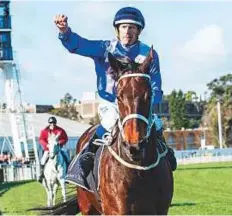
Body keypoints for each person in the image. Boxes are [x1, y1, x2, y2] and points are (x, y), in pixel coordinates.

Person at [54, 7, 177, 185]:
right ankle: (85, 159)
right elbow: (79, 45)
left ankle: (166, 155)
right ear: (117, 29)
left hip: (138, 105)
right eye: (124, 27)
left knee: (155, 124)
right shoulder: (105, 48)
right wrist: (65, 32)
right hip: (111, 102)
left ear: (139, 31)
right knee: (110, 120)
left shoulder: (149, 53)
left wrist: (150, 102)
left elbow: (155, 83)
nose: (128, 31)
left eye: (132, 27)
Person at [38, 116, 69, 183]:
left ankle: (68, 175)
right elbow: (41, 139)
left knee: (67, 157)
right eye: (51, 123)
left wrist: (59, 142)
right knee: (43, 160)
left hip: (59, 148)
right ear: (49, 123)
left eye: (53, 122)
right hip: (48, 150)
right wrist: (46, 145)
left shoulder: (60, 130)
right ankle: (41, 175)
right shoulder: (44, 131)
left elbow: (65, 138)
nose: (52, 124)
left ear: (55, 123)